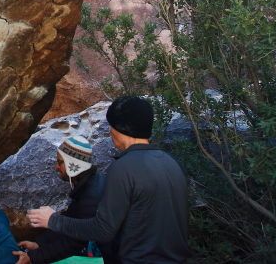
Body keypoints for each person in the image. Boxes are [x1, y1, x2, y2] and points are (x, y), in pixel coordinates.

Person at [27, 96, 189, 264]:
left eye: (111, 126)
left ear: (119, 128)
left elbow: (102, 230)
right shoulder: (171, 164)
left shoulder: (124, 168)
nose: (110, 132)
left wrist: (53, 220)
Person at [13, 136, 116, 264]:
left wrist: (32, 257)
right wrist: (38, 244)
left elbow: (74, 242)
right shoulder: (89, 184)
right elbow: (69, 221)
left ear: (72, 164)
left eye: (60, 162)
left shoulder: (91, 196)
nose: (56, 167)